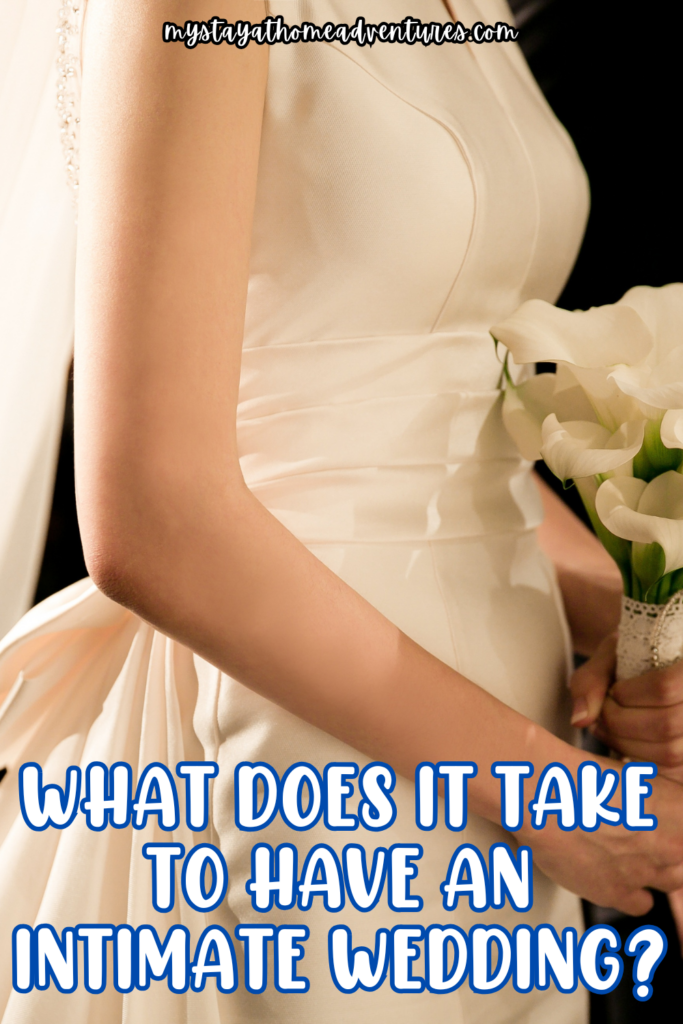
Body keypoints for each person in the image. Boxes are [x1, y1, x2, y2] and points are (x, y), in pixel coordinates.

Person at [1, 0, 683, 1021]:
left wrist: (632, 623)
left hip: (505, 717)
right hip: (312, 726)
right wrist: (542, 792)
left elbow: (437, 419)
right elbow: (153, 512)